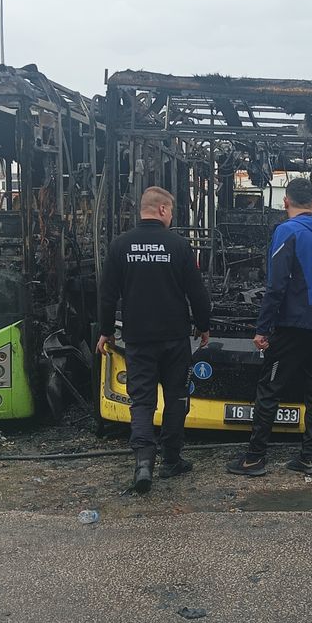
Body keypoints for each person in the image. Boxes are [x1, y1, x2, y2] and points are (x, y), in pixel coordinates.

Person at [226, 178, 312, 477]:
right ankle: (309, 457)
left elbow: (276, 285)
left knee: (270, 386)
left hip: (296, 321)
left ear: (285, 202)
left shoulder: (287, 231)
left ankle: (254, 458)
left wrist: (263, 328)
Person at [97, 186, 212, 494]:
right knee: (176, 398)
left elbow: (107, 295)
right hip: (175, 338)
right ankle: (171, 460)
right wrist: (203, 326)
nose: (171, 216)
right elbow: (197, 292)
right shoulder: (179, 245)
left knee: (142, 402)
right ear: (162, 209)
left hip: (138, 339)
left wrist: (106, 331)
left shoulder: (120, 245)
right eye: (171, 210)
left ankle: (144, 464)